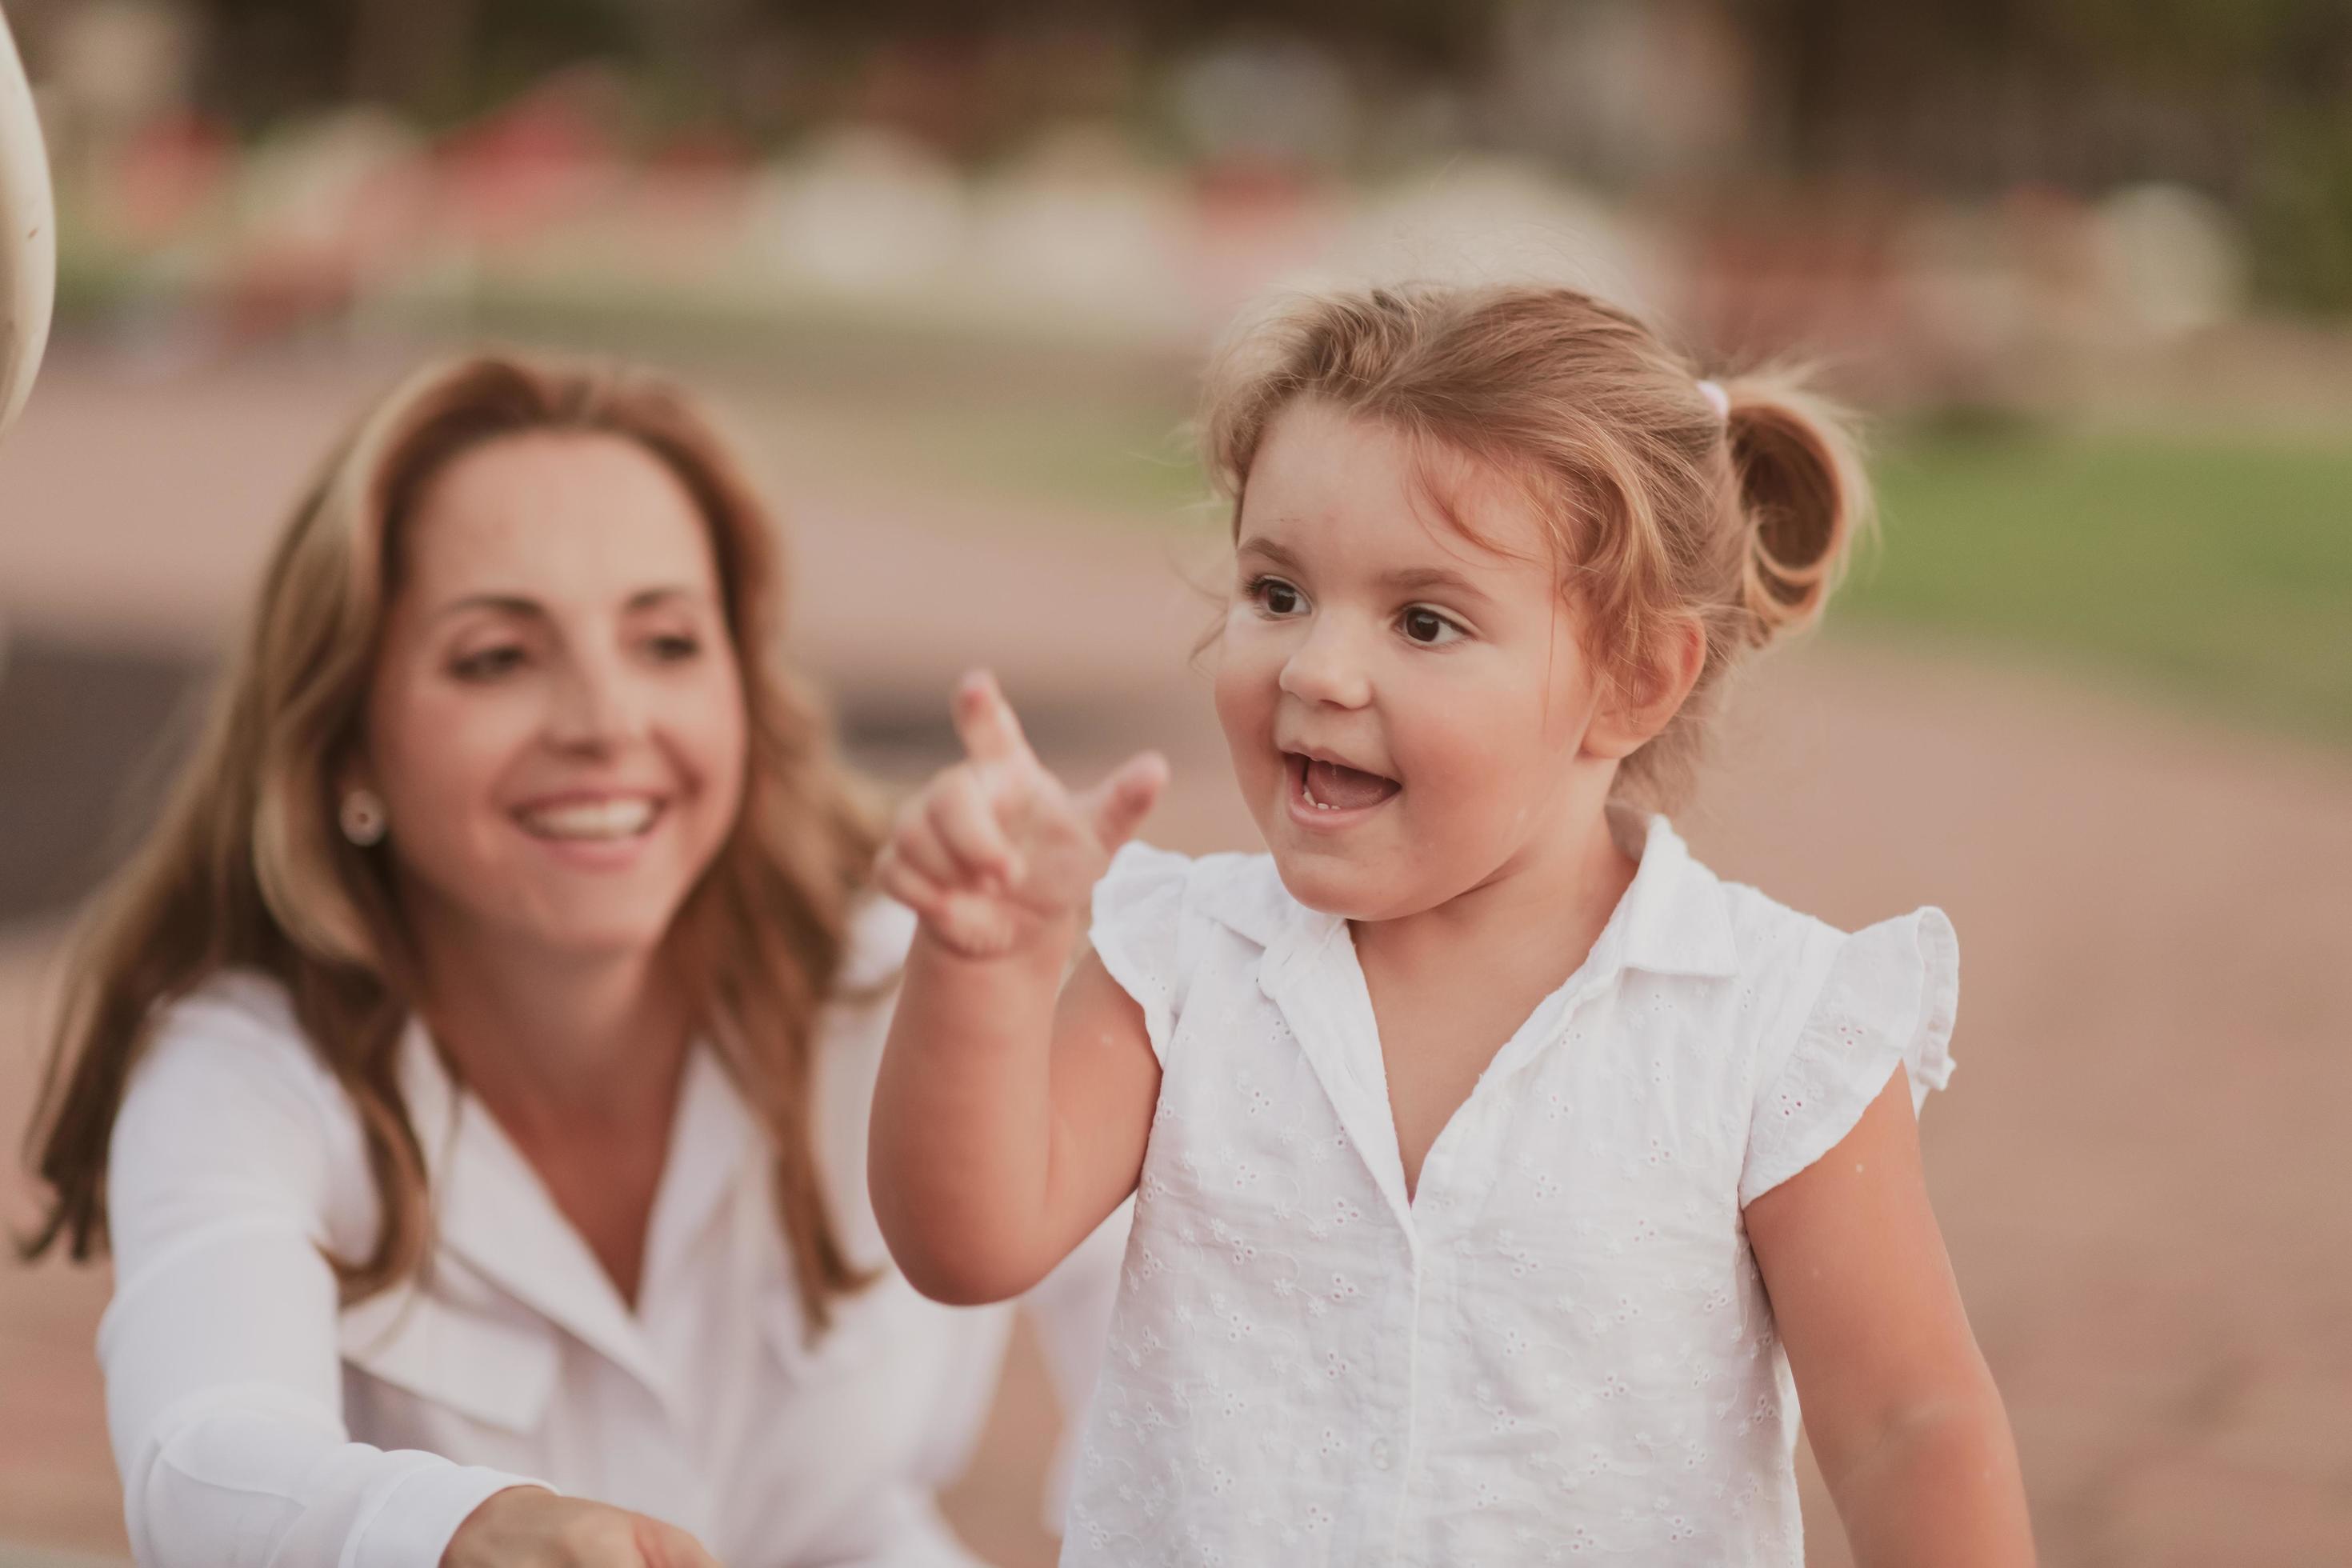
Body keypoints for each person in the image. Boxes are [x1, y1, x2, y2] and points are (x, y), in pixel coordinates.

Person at [866, 284, 2037, 1564]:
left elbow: (1908, 1423)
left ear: (1634, 682)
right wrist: (979, 964)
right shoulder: (1181, 962)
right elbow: (967, 1240)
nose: (1317, 669)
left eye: (1424, 621)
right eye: (1277, 594)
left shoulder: (1765, 1025)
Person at [23, 351, 1121, 1567]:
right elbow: (200, 1456)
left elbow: (1188, 1343)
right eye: (497, 657)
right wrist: (460, 1530)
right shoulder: (250, 1061)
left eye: (665, 643)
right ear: (347, 745)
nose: (605, 720)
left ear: (743, 691)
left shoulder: (910, 974)